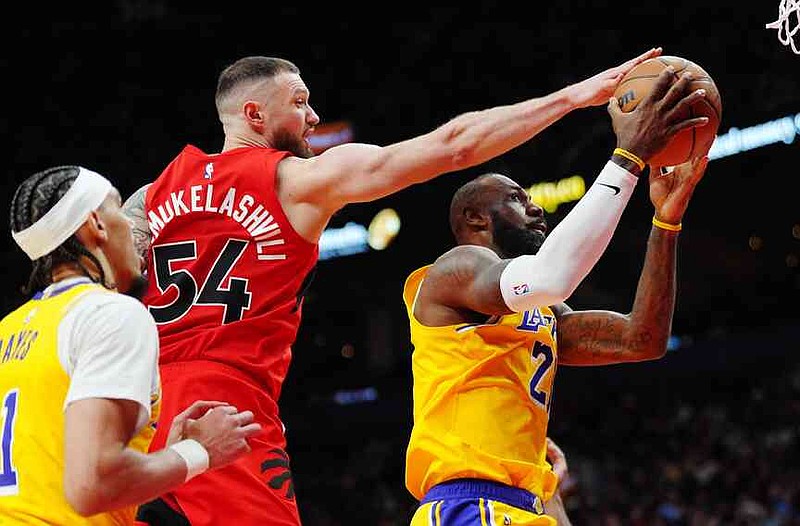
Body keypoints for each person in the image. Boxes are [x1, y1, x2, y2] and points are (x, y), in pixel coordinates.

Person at [121, 48, 700, 525]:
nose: (314, 116)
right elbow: (454, 145)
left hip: (145, 404)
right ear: (253, 113)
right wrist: (574, 98)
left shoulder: (150, 196)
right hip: (228, 399)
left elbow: (113, 293)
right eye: (299, 103)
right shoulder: (298, 180)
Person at [400, 67, 710, 524]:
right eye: (515, 198)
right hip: (467, 504)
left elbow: (640, 339)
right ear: (475, 218)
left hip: (527, 505)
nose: (535, 207)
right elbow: (551, 276)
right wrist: (628, 157)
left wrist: (666, 220)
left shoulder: (540, 311)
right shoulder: (453, 272)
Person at [0, 166, 262, 525]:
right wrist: (199, 451)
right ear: (96, 224)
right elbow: (91, 486)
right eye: (119, 209)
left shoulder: (8, 329)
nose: (133, 225)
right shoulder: (110, 313)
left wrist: (163, 456)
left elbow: (54, 473)